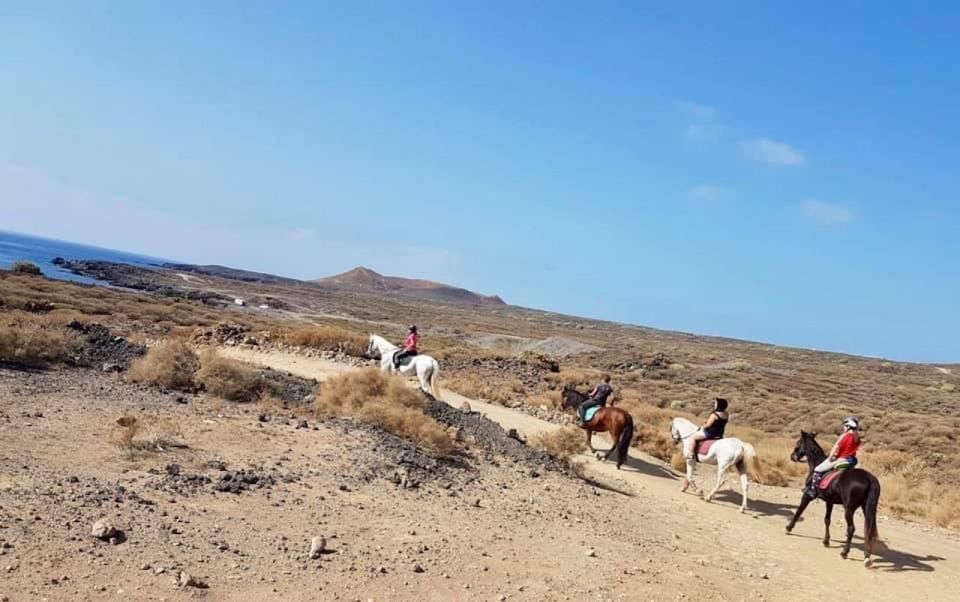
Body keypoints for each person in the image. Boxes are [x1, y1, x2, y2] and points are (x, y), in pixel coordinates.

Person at [806, 416, 861, 496]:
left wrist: (830, 457)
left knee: (817, 469)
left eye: (845, 426)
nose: (844, 428)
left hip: (842, 459)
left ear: (849, 426)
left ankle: (813, 490)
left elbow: (837, 447)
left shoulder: (845, 435)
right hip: (852, 460)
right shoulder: (857, 437)